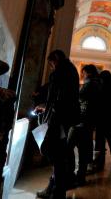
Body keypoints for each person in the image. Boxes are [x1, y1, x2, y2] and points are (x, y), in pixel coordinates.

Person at [34, 50, 81, 199]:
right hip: (66, 118)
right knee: (60, 155)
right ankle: (55, 189)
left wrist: (49, 114)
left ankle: (57, 191)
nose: (51, 66)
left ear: (56, 59)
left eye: (52, 63)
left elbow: (57, 98)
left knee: (55, 154)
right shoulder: (71, 70)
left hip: (59, 119)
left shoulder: (61, 73)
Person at [71, 64, 101, 185]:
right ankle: (80, 176)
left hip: (83, 120)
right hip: (89, 120)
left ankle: (74, 175)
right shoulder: (97, 84)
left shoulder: (90, 84)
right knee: (84, 148)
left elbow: (79, 98)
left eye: (83, 73)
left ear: (87, 73)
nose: (82, 75)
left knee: (72, 146)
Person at [94, 70, 111, 170]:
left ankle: (100, 161)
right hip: (109, 115)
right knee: (109, 137)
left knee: (100, 139)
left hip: (102, 115)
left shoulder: (102, 87)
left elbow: (98, 100)